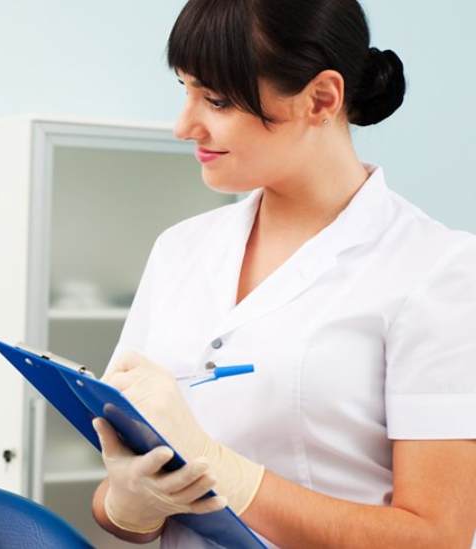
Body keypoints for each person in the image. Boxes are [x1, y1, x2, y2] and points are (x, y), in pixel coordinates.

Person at [90, 0, 476, 547]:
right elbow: (118, 494)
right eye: (185, 90)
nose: (183, 127)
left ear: (321, 99)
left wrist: (229, 476)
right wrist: (129, 504)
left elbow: (436, 537)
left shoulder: (437, 269)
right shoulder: (180, 250)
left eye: (217, 100)